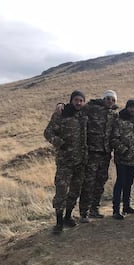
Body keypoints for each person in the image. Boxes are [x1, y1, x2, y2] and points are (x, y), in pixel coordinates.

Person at [55, 90, 119, 222]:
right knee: (88, 183)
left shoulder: (114, 114)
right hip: (91, 153)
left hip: (106, 153)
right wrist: (60, 104)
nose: (110, 101)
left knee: (100, 182)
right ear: (103, 99)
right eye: (108, 98)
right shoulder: (92, 108)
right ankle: (84, 212)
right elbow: (75, 106)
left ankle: (94, 209)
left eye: (113, 100)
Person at [44, 90, 88, 234]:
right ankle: (58, 222)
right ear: (71, 100)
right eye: (76, 100)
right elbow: (48, 132)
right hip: (65, 161)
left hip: (80, 161)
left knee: (75, 190)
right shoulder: (61, 114)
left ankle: (68, 217)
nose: (79, 103)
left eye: (81, 100)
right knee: (61, 191)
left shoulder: (84, 115)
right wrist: (59, 143)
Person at [110, 100, 134, 219]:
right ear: (127, 108)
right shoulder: (119, 121)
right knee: (120, 182)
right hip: (122, 158)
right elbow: (114, 139)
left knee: (129, 183)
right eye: (130, 107)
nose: (132, 110)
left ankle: (126, 206)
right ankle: (116, 210)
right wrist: (123, 150)